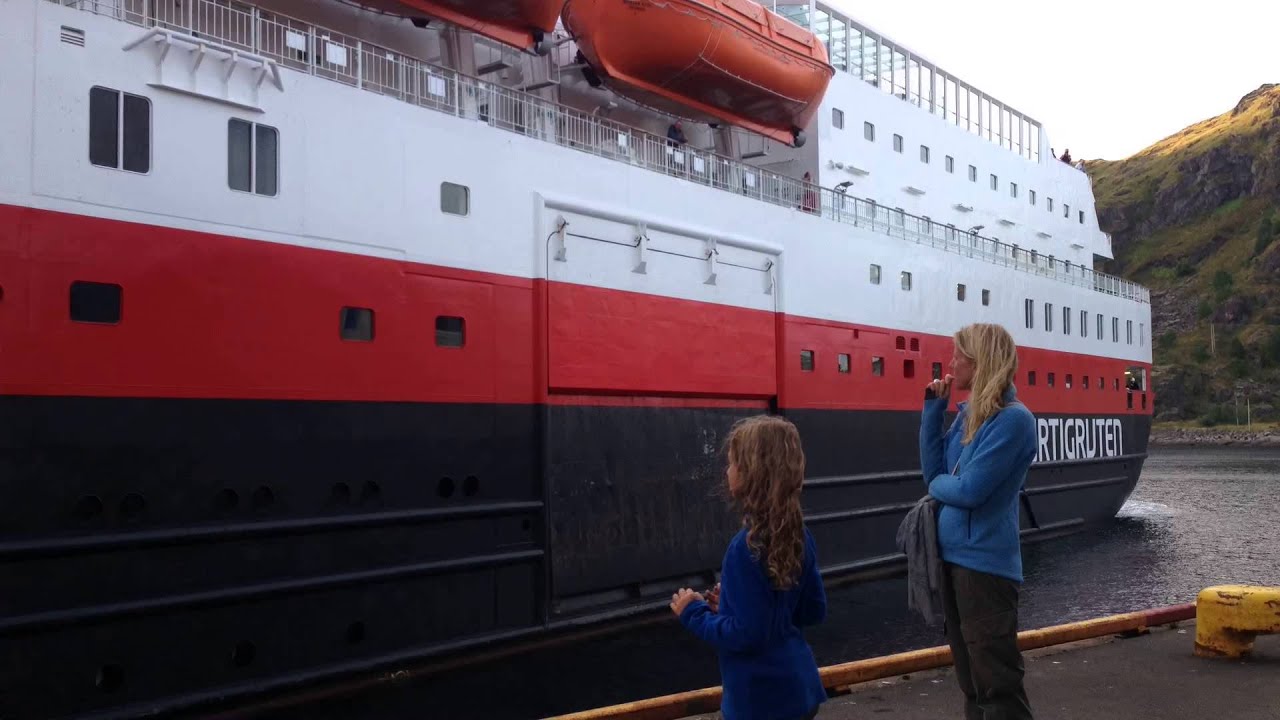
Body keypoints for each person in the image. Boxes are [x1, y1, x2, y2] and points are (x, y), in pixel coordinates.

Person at [670, 415, 827, 720]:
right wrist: (730, 607)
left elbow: (746, 635)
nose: (727, 470)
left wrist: (693, 612)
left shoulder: (744, 550)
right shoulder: (799, 535)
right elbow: (812, 611)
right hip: (800, 690)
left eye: (731, 463)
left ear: (750, 473)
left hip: (758, 702)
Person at [919, 323, 1037, 720]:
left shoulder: (1014, 421)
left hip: (985, 566)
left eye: (958, 356)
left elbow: (970, 491)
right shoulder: (970, 415)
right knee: (971, 683)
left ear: (980, 361)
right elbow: (932, 470)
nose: (951, 363)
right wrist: (933, 411)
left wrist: (938, 485)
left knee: (997, 685)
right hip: (954, 561)